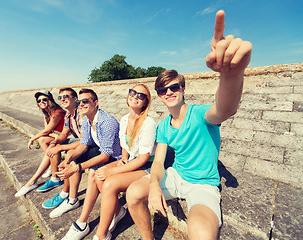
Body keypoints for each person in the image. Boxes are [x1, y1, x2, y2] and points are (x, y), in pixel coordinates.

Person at [126, 10, 252, 240]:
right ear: (160, 96)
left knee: (202, 234)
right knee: (133, 193)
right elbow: (159, 163)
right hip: (176, 176)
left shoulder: (200, 114)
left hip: (203, 185)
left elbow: (225, 109)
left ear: (183, 89)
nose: (169, 92)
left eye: (174, 87)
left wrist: (231, 75)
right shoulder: (164, 126)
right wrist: (154, 183)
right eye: (163, 90)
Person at [61, 84, 157, 240]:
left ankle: (102, 234)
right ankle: (114, 214)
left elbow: (143, 158)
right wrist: (124, 159)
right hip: (131, 160)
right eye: (132, 92)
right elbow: (124, 146)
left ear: (146, 102)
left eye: (141, 95)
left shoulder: (148, 123)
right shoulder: (125, 119)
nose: (135, 96)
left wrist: (113, 170)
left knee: (109, 182)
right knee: (95, 174)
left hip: (147, 166)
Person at [43, 88, 122, 220]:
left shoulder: (107, 122)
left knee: (90, 171)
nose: (81, 104)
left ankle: (107, 212)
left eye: (85, 100)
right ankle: (72, 199)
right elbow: (84, 144)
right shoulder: (86, 119)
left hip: (115, 156)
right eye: (79, 101)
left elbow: (105, 155)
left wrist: (77, 168)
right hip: (102, 150)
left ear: (95, 103)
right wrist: (67, 159)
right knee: (73, 157)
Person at [15, 90, 65, 197]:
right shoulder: (47, 113)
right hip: (58, 136)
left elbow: (47, 132)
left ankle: (33, 181)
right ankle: (51, 167)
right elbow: (48, 130)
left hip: (67, 136)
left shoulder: (57, 113)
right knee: (42, 140)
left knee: (47, 142)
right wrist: (54, 135)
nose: (41, 102)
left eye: (44, 99)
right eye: (39, 100)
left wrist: (32, 139)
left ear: (50, 100)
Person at [40, 87, 84, 205]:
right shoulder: (68, 115)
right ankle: (55, 178)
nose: (62, 99)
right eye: (60, 97)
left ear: (75, 99)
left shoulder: (81, 114)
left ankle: (69, 197)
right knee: (50, 143)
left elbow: (84, 141)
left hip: (91, 145)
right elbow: (64, 134)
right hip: (79, 141)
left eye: (66, 97)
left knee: (70, 157)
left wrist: (59, 147)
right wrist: (54, 143)